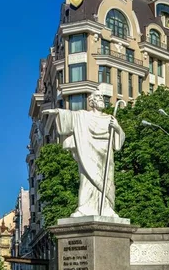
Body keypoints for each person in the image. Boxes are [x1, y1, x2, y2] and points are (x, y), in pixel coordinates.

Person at [42, 88, 125, 218]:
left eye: (102, 98)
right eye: (98, 97)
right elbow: (70, 116)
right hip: (88, 152)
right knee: (86, 180)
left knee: (107, 180)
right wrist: (56, 112)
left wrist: (117, 128)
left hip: (106, 154)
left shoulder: (110, 119)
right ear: (91, 102)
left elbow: (118, 144)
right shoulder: (83, 116)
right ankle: (84, 208)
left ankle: (107, 208)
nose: (101, 100)